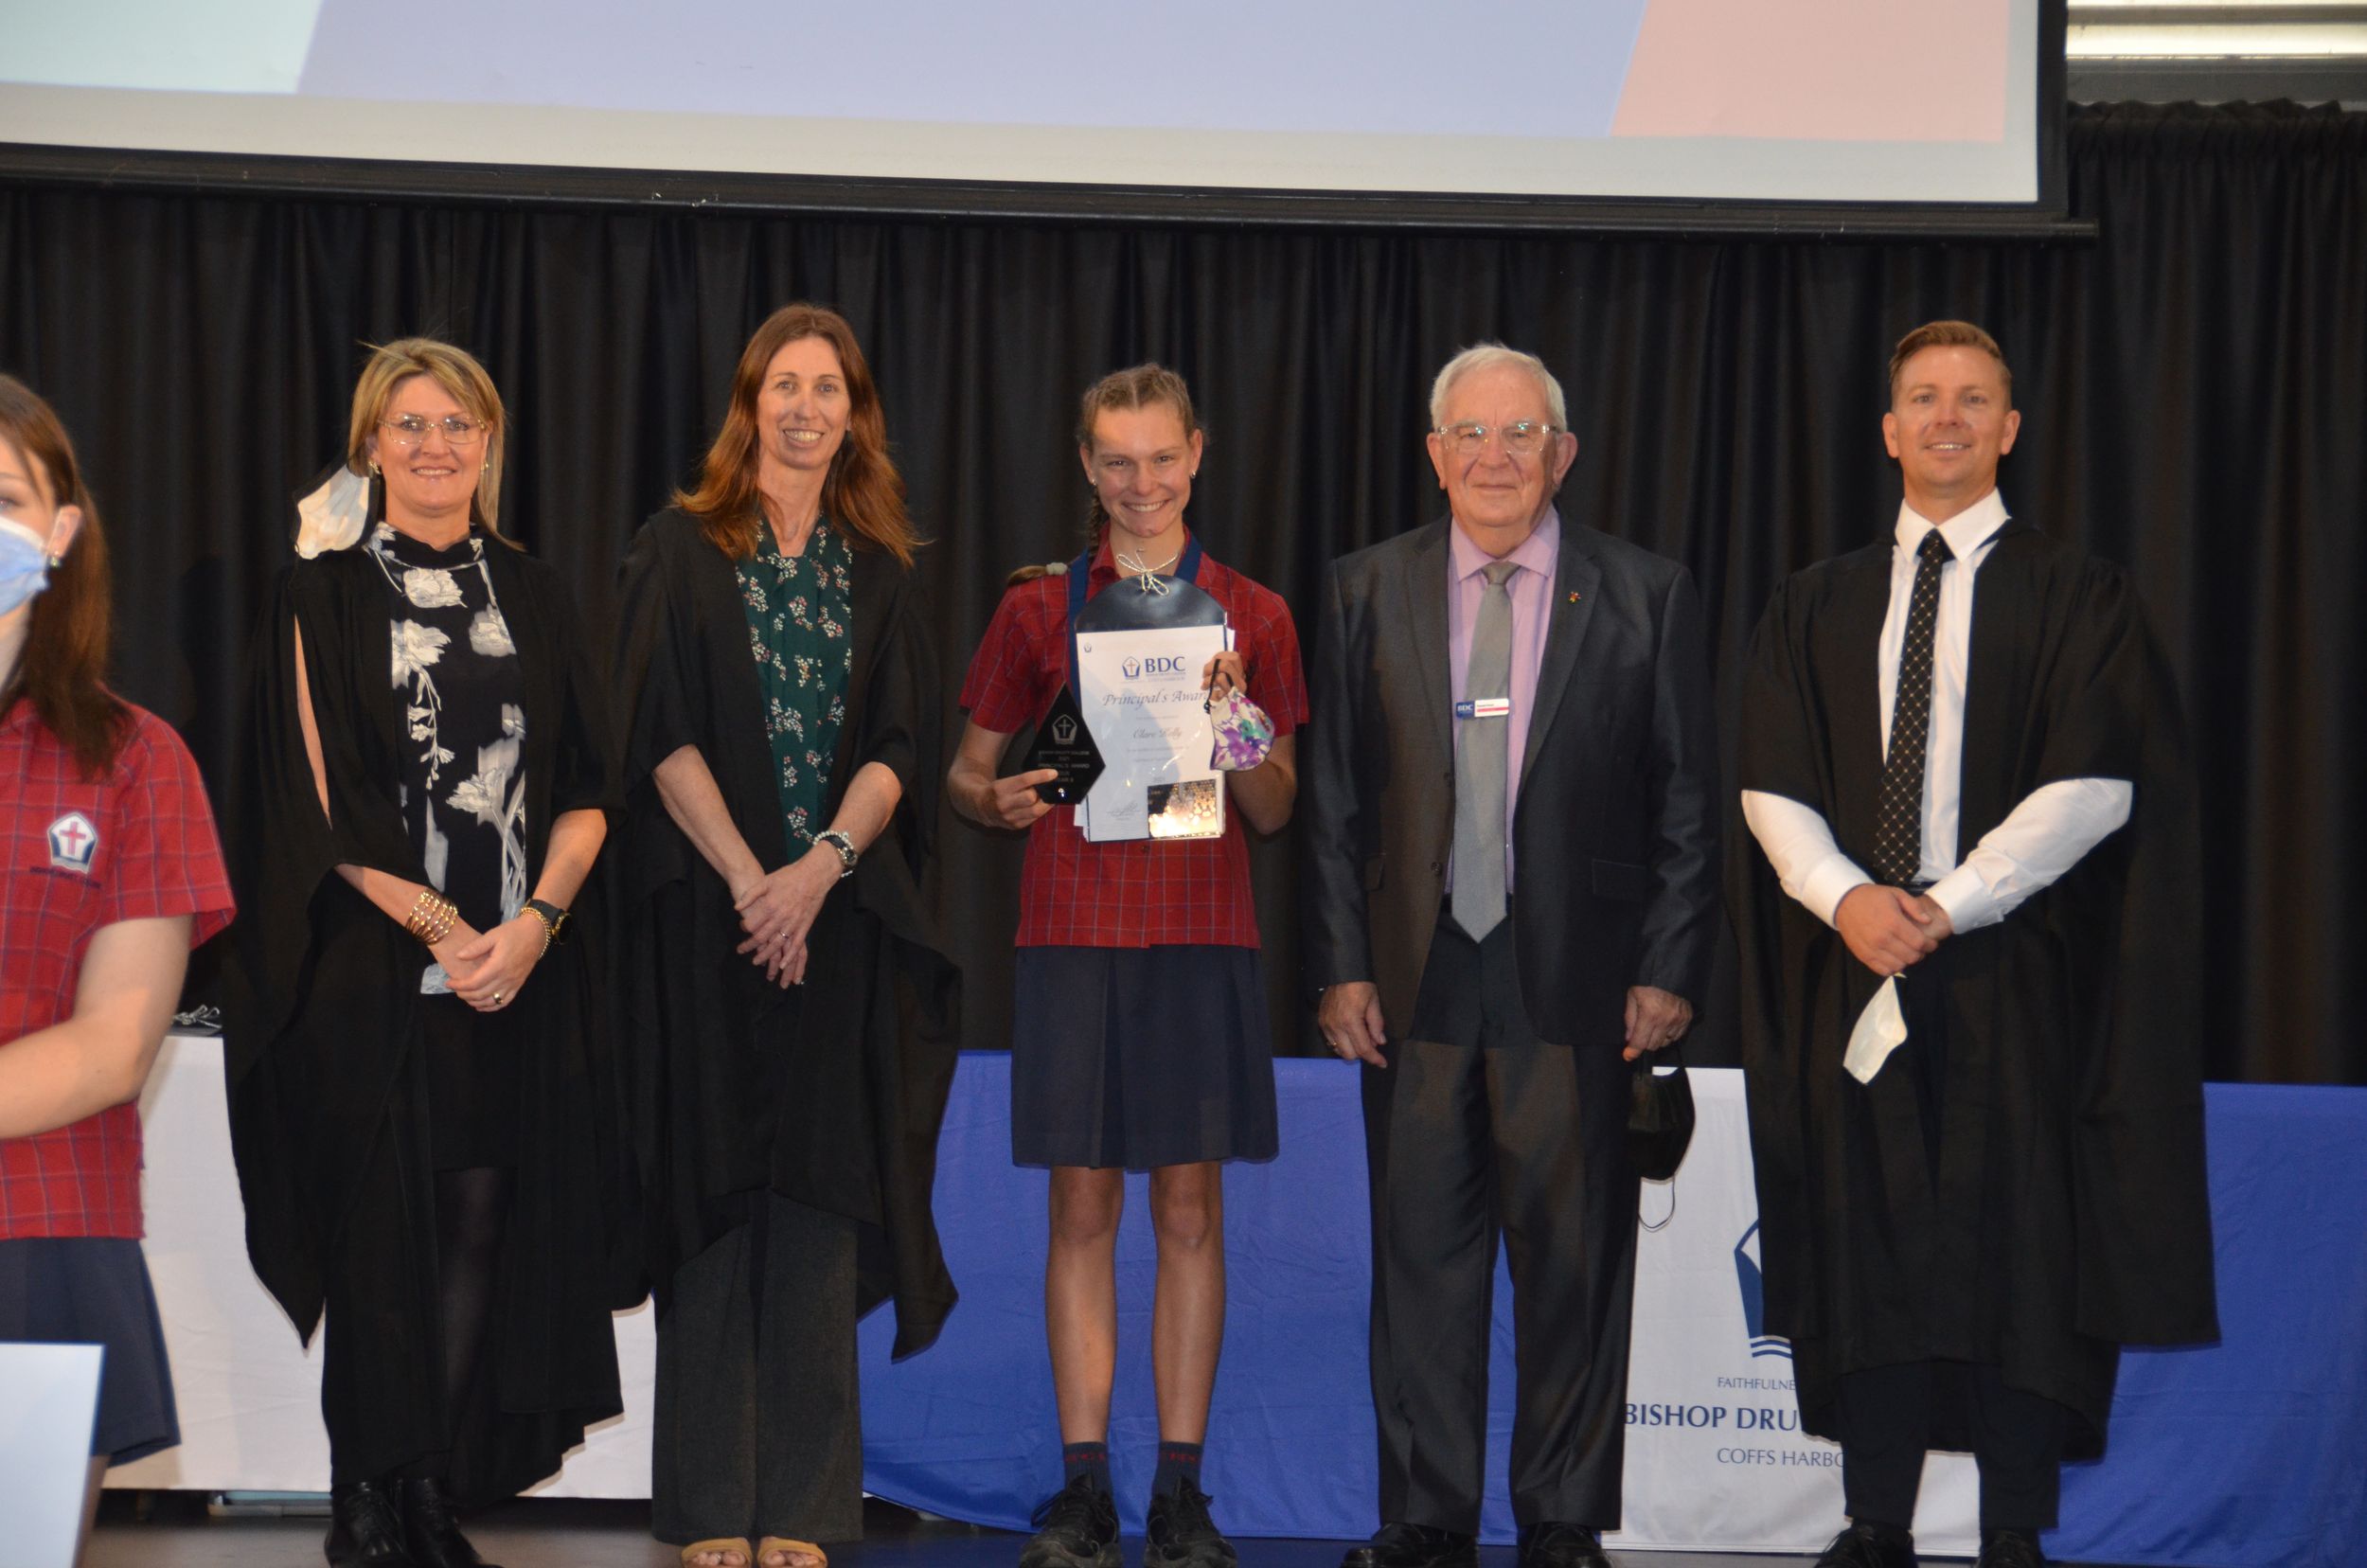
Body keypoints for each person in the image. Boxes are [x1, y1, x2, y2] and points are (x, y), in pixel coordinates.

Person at [1732, 321, 2217, 1568]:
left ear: (2008, 429)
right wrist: (1849, 898)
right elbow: (1771, 782)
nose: (1945, 417)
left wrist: (1950, 902)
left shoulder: (2081, 595)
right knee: (1867, 1241)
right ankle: (1874, 1524)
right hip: (1854, 960)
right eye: (1922, 398)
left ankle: (2011, 1532)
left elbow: (2095, 785)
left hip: (2016, 966)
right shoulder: (1814, 601)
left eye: (1971, 399)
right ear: (1888, 430)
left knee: (2021, 1250)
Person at [1301, 345, 1720, 1568]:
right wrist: (1339, 964)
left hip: (1579, 978)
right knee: (1420, 1263)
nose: (1496, 456)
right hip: (1413, 976)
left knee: (1575, 1262)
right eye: (1471, 435)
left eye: (1522, 433)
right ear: (1434, 455)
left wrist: (1669, 966)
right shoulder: (1363, 589)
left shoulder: (1645, 593)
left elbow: (1687, 802)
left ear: (1563, 454)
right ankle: (1425, 1517)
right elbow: (1333, 802)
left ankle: (1562, 1516)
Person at [224, 338, 627, 1568]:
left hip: (512, 978)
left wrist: (535, 926)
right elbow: (314, 797)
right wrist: (444, 928)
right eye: (409, 424)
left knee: (476, 1228)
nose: (435, 445)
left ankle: (430, 1491)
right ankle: (364, 1495)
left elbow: (589, 790)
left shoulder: (537, 594)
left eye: (457, 424)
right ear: (371, 446)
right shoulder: (321, 591)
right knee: (377, 1244)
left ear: (489, 444)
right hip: (372, 975)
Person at [612, 303, 960, 1568]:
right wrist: (752, 881)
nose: (807, 409)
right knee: (712, 1198)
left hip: (838, 925)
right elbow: (653, 729)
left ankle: (807, 1510)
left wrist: (817, 873)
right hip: (709, 922)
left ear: (855, 415)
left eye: (830, 389)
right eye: (785, 386)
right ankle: (711, 1508)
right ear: (749, 405)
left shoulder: (883, 570)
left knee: (818, 1201)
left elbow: (901, 747)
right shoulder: (676, 548)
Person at [948, 365, 1308, 1568]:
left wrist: (1235, 716)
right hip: (1070, 934)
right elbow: (966, 775)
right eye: (1117, 461)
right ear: (1086, 466)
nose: (1141, 483)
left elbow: (1274, 807)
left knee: (1191, 1209)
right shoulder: (1035, 609)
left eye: (1160, 458)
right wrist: (995, 800)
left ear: (1196, 454)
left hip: (1200, 934)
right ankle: (1084, 1487)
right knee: (1081, 1207)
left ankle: (1182, 1493)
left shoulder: (1252, 613)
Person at [0, 375, 235, 1563]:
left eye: (3, 499)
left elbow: (112, 1048)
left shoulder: (136, 760)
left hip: (42, 1231)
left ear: (60, 531)